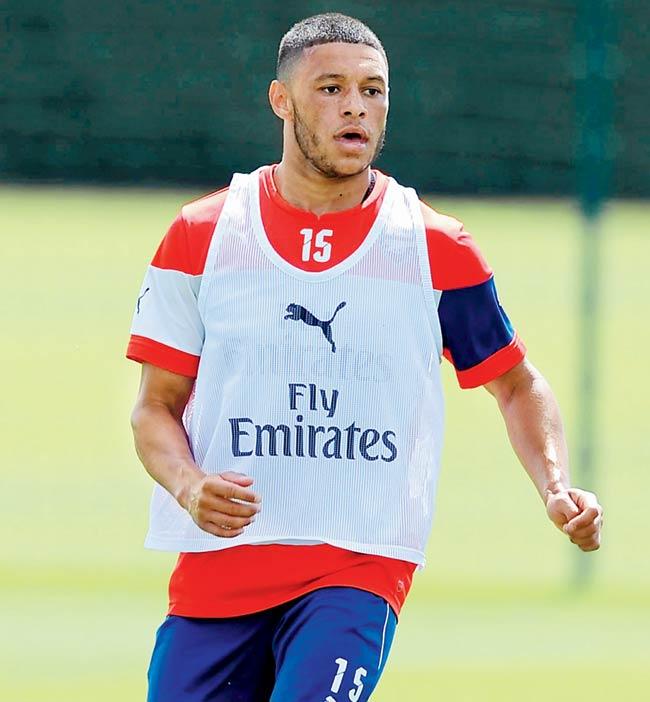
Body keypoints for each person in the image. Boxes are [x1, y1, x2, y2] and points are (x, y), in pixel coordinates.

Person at [127, 12, 603, 702]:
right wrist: (190, 485)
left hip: (357, 571)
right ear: (281, 101)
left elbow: (515, 384)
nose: (356, 105)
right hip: (216, 576)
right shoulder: (200, 236)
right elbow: (155, 407)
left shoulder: (434, 247)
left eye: (373, 90)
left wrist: (556, 485)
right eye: (330, 88)